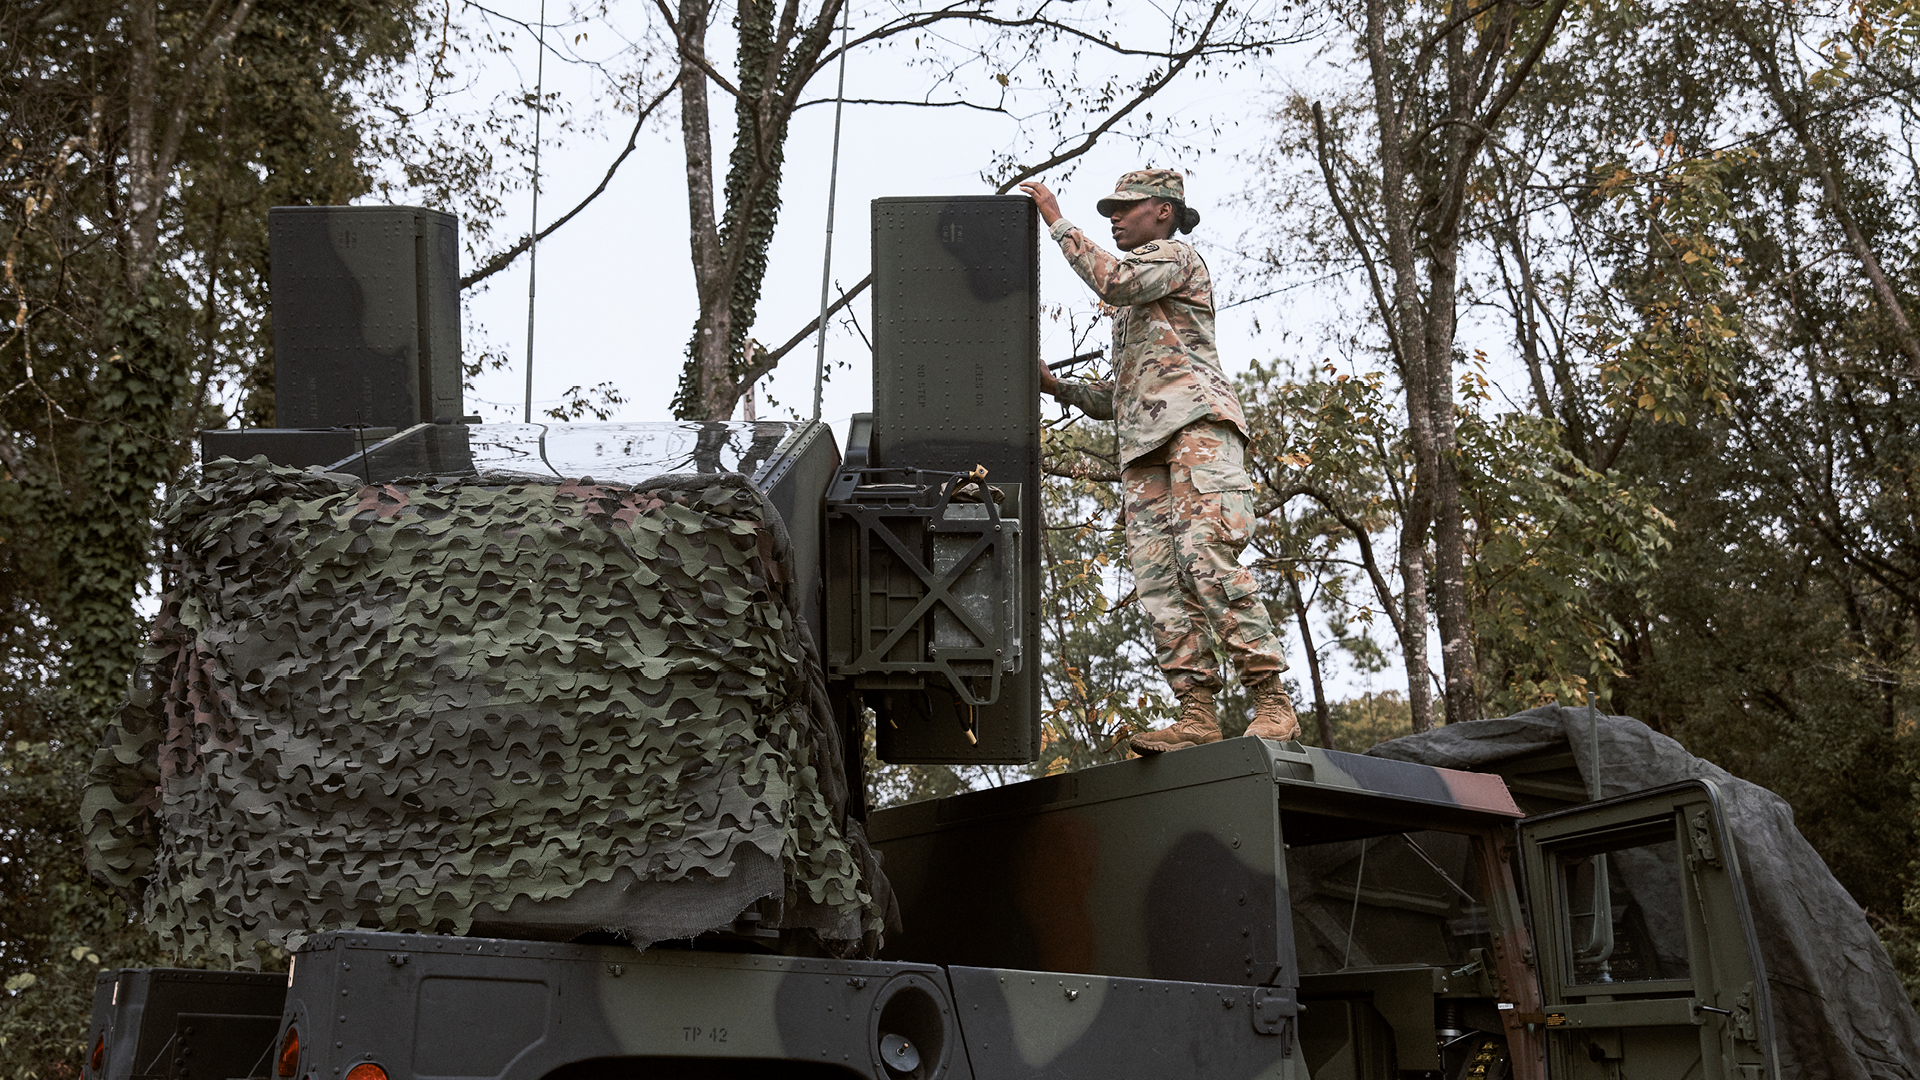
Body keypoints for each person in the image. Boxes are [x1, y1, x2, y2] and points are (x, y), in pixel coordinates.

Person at [1019, 169, 1300, 753]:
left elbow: (1114, 281)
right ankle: (1196, 714)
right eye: (1109, 212)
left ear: (1164, 211)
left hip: (1197, 429)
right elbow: (1119, 397)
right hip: (1145, 449)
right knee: (1158, 582)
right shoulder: (1137, 302)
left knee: (1206, 556)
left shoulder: (1173, 257)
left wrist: (1055, 216)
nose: (1114, 218)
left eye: (1126, 208)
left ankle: (1272, 702)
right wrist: (1058, 387)